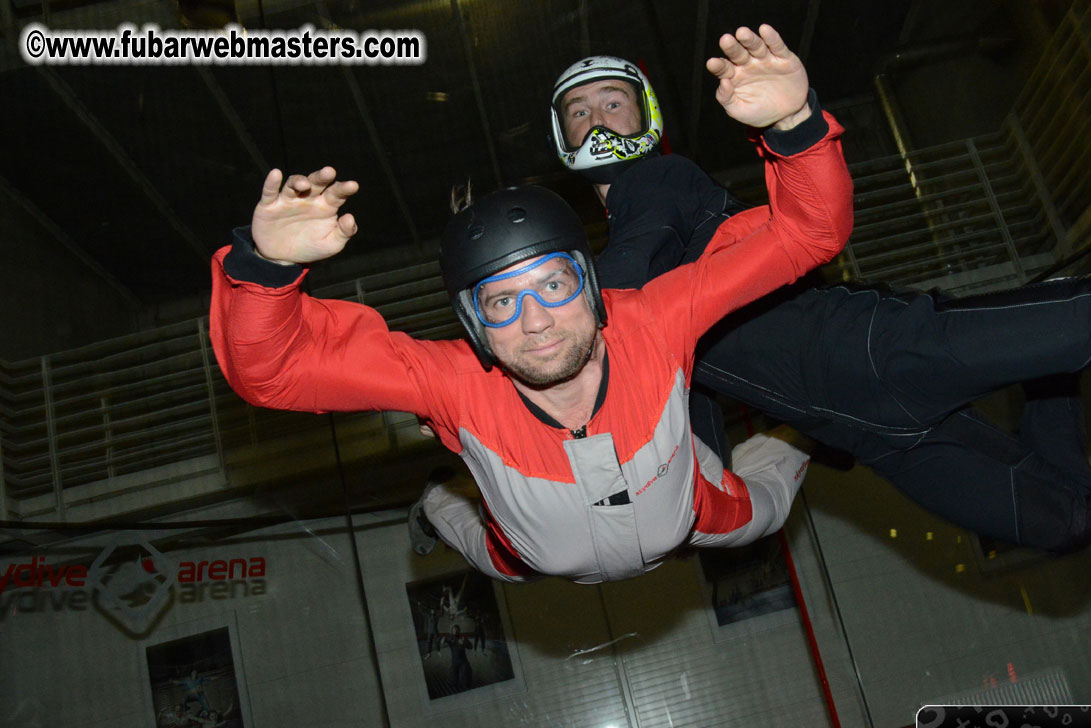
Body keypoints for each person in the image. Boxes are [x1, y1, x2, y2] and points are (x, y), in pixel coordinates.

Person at [548, 29, 1091, 554]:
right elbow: (675, 402)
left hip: (880, 351)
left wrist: (524, 373)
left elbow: (624, 290)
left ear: (646, 116)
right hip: (872, 433)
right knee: (1071, 520)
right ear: (562, 135)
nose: (598, 119)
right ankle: (1052, 370)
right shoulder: (625, 285)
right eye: (579, 111)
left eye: (613, 102)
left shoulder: (656, 191)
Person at [210, 25, 854, 583]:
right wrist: (266, 268)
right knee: (476, 536)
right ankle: (439, 500)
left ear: (594, 284)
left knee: (761, 511)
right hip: (523, 554)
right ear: (472, 324)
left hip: (691, 510)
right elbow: (274, 372)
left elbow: (808, 232)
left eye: (553, 286)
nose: (536, 321)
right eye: (501, 302)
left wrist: (792, 124)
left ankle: (800, 435)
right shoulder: (451, 384)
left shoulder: (654, 319)